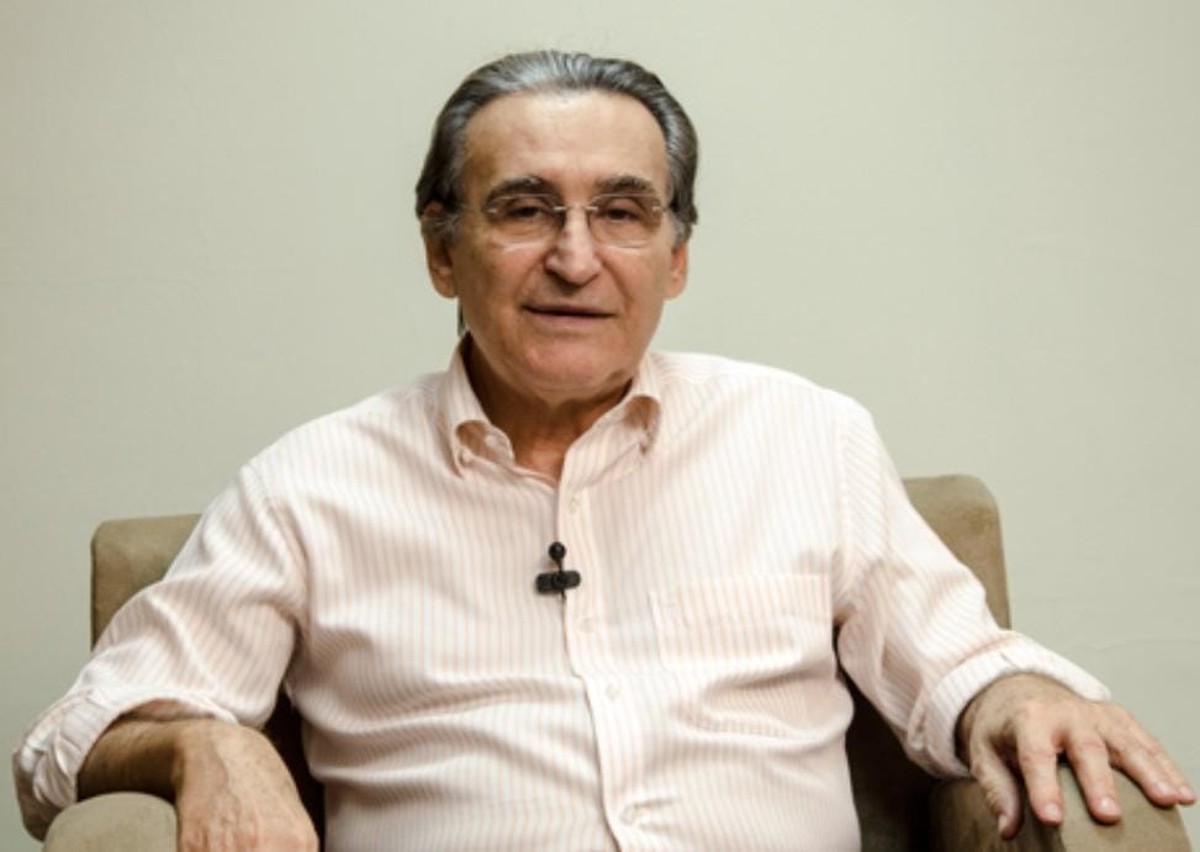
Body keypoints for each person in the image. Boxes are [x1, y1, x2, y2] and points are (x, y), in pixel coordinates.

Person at [14, 50, 1193, 850]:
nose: (576, 258)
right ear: (441, 250)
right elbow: (61, 749)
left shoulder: (805, 436)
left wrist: (1017, 692)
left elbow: (958, 665)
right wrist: (197, 743)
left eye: (623, 213)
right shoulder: (308, 487)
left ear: (675, 258)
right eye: (525, 209)